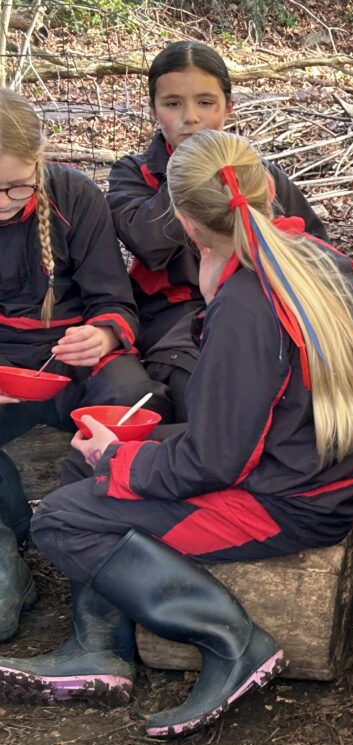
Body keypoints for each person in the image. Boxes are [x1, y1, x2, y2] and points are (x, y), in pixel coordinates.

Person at [0, 130, 353, 739]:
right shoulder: (311, 256)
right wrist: (113, 456)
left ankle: (232, 641)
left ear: (182, 219)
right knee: (86, 461)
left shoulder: (249, 300)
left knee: (62, 520)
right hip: (313, 470)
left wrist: (120, 465)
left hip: (283, 501)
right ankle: (100, 649)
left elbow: (216, 460)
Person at [0, 89, 169, 644]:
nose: (3, 201)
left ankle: (113, 567)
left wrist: (102, 335)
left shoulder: (75, 194)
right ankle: (8, 548)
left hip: (77, 359)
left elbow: (115, 301)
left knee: (132, 398)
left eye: (16, 185)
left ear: (41, 163)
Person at [107, 40, 329, 420]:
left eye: (206, 103)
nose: (190, 117)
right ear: (154, 109)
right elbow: (148, 243)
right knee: (202, 388)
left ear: (229, 108)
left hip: (258, 305)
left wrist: (234, 169)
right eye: (173, 103)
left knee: (298, 379)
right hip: (172, 317)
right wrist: (195, 175)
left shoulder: (260, 174)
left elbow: (316, 251)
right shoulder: (133, 173)